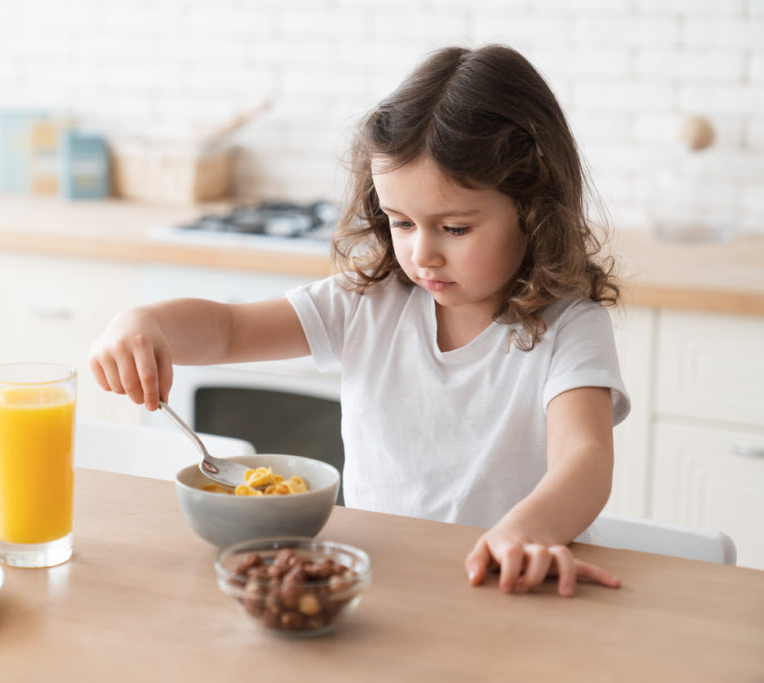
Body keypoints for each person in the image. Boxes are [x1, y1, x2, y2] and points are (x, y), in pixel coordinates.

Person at [89, 44, 629, 598]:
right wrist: (145, 321)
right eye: (401, 222)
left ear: (534, 210)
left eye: (455, 228)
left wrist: (527, 532)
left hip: (506, 585)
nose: (422, 254)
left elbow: (583, 457)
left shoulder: (570, 326)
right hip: (386, 584)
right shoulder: (367, 302)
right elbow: (228, 331)